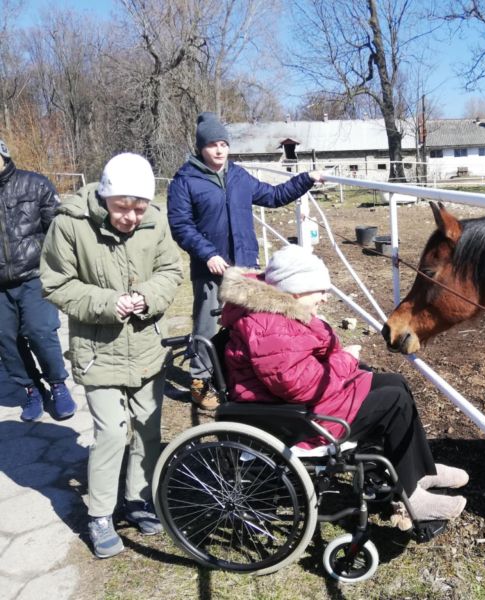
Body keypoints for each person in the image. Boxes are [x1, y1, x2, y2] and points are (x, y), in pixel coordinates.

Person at [219, 244, 469, 523]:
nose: (325, 298)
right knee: (393, 403)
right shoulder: (269, 326)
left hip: (303, 402)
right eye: (320, 290)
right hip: (296, 418)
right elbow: (303, 386)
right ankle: (410, 495)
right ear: (297, 290)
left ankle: (422, 472)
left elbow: (305, 366)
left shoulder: (280, 314)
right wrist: (346, 360)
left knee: (394, 383)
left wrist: (340, 357)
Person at [40, 153, 183, 559]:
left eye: (139, 207)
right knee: (112, 433)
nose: (131, 216)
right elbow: (55, 283)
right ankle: (100, 514)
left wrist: (147, 297)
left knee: (148, 429)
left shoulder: (155, 222)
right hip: (97, 350)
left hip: (145, 346)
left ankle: (138, 499)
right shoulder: (69, 224)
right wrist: (107, 303)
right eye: (122, 207)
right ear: (104, 197)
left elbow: (170, 271)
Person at [167, 112, 322, 411]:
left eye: (224, 143)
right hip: (210, 268)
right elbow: (180, 224)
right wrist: (207, 253)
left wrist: (306, 180)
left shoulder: (239, 176)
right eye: (213, 144)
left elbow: (274, 196)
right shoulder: (185, 180)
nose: (220, 149)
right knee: (207, 325)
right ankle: (200, 381)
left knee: (247, 323)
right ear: (201, 147)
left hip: (245, 265)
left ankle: (239, 374)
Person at [0, 138, 76, 422]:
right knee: (7, 342)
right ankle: (31, 390)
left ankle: (57, 384)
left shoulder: (35, 185)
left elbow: (58, 231)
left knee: (40, 332)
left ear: (4, 154)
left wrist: (61, 270)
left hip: (34, 275)